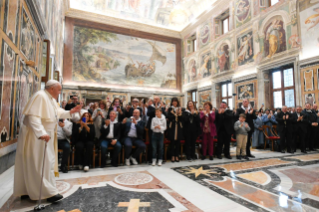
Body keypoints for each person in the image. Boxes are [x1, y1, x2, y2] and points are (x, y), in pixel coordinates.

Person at [14, 80, 82, 203]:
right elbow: (32, 117)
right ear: (52, 89)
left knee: (44, 162)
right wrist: (41, 133)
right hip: (37, 135)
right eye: (59, 89)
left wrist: (70, 112)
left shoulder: (50, 98)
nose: (60, 92)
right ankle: (48, 193)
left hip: (46, 134)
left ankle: (27, 190)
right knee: (39, 163)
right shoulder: (40, 96)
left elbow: (58, 112)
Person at [167, 98, 184, 162]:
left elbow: (182, 118)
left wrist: (179, 114)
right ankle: (172, 156)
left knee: (178, 142)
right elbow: (169, 117)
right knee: (172, 142)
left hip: (178, 126)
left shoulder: (180, 109)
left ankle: (177, 155)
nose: (174, 103)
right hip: (172, 127)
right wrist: (175, 115)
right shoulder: (170, 109)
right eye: (173, 101)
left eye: (175, 101)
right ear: (172, 102)